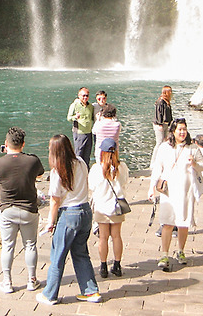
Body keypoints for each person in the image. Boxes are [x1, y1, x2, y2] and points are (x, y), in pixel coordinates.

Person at [36, 134, 101, 305]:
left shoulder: (57, 171)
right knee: (81, 253)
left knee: (58, 255)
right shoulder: (80, 162)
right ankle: (91, 291)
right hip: (85, 212)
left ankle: (50, 294)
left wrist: (50, 222)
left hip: (69, 214)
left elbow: (55, 200)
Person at [0, 127, 45, 294]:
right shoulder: (32, 161)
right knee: (30, 245)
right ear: (23, 144)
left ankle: (7, 282)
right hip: (29, 209)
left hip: (7, 209)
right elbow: (40, 174)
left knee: (7, 246)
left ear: (6, 144)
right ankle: (31, 280)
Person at [148, 118, 203, 272]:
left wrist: (194, 163)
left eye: (184, 129)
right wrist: (151, 188)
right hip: (168, 190)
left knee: (183, 222)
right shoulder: (164, 148)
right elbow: (157, 168)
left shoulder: (192, 148)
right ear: (173, 131)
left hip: (186, 190)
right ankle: (165, 254)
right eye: (179, 129)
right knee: (167, 222)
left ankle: (181, 251)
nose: (182, 132)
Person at [88, 138, 129, 279]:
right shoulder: (122, 167)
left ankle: (103, 266)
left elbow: (91, 186)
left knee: (103, 237)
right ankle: (117, 265)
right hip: (117, 206)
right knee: (117, 236)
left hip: (101, 207)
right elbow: (125, 182)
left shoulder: (96, 169)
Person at [67, 87, 95, 168]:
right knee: (78, 154)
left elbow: (92, 118)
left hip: (89, 133)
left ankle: (86, 171)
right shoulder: (74, 105)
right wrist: (75, 117)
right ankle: (77, 171)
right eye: (83, 95)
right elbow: (69, 118)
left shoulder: (90, 106)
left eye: (87, 95)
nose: (85, 97)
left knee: (87, 154)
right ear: (79, 96)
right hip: (79, 133)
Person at [151, 86, 174, 168]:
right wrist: (160, 124)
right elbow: (158, 113)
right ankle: (153, 162)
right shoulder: (161, 101)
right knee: (159, 143)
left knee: (165, 142)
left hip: (166, 124)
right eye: (170, 91)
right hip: (159, 125)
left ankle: (162, 160)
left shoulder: (166, 101)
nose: (171, 93)